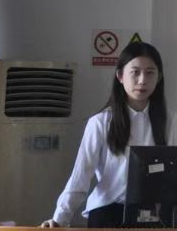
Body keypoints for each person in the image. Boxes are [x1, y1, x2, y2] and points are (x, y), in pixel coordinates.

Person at [41, 42, 168, 228]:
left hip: (152, 215)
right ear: (120, 76)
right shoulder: (101, 122)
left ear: (159, 77)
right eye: (135, 72)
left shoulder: (169, 122)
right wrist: (60, 218)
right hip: (107, 214)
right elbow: (81, 174)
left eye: (150, 73)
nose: (142, 80)